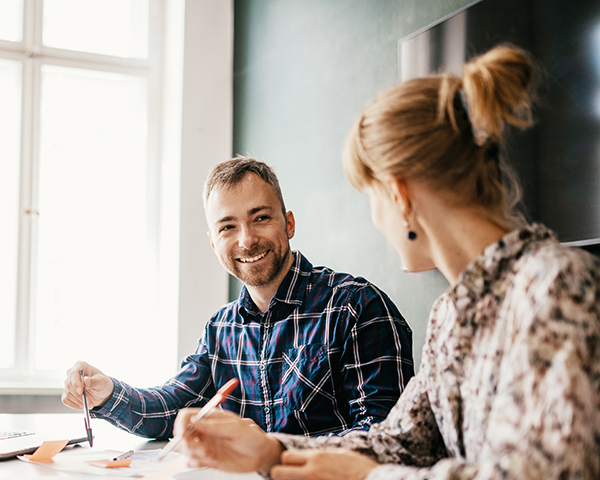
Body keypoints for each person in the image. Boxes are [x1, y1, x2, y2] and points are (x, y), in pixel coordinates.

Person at [173, 46, 600, 480]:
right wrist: (269, 450)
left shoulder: (556, 285)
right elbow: (400, 444)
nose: (376, 219)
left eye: (370, 198)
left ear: (397, 194)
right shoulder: (452, 314)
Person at [61, 157, 414, 439]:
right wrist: (107, 393)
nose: (246, 240)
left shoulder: (356, 306)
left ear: (288, 224)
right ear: (213, 242)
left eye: (260, 218)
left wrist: (272, 451)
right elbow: (169, 411)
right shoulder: (221, 329)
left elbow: (384, 436)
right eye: (227, 227)